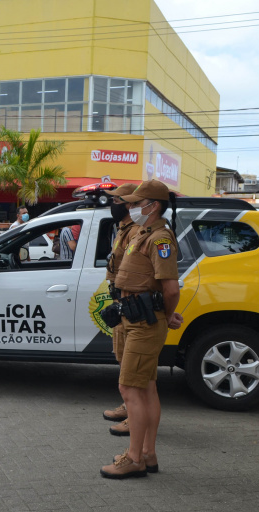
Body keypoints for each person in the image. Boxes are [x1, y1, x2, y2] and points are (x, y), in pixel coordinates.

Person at [100, 179, 184, 480]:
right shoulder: (143, 234)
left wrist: (168, 314)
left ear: (153, 206)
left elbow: (171, 288)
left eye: (136, 204)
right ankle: (146, 454)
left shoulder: (160, 238)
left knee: (130, 388)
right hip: (134, 318)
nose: (130, 208)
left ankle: (133, 459)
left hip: (144, 323)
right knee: (145, 388)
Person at [100, 183, 139, 434]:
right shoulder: (122, 228)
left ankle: (135, 417)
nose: (113, 205)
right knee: (122, 356)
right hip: (120, 302)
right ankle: (128, 406)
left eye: (117, 201)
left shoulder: (136, 231)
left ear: (129, 204)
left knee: (132, 367)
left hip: (132, 302)